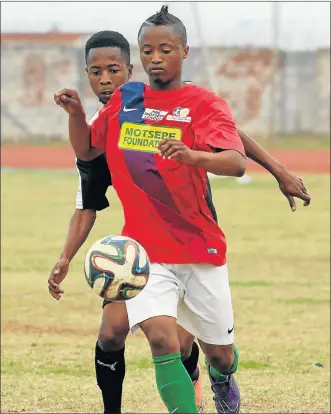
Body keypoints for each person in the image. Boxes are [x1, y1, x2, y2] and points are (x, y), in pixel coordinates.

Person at [52, 10, 311, 413]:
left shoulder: (201, 103)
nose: (156, 58)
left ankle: (222, 378)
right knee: (158, 339)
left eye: (165, 49)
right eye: (148, 50)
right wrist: (75, 116)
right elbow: (86, 155)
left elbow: (235, 157)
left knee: (217, 354)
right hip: (145, 252)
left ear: (184, 52)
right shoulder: (125, 101)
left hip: (199, 246)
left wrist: (198, 157)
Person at [49, 30, 204, 414]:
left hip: (189, 241)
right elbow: (87, 204)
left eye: (113, 70)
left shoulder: (158, 103)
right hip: (142, 245)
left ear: (129, 69)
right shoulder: (97, 132)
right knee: (111, 333)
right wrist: (66, 256)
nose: (105, 79)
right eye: (95, 72)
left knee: (182, 343)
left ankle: (203, 376)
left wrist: (278, 169)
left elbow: (231, 133)